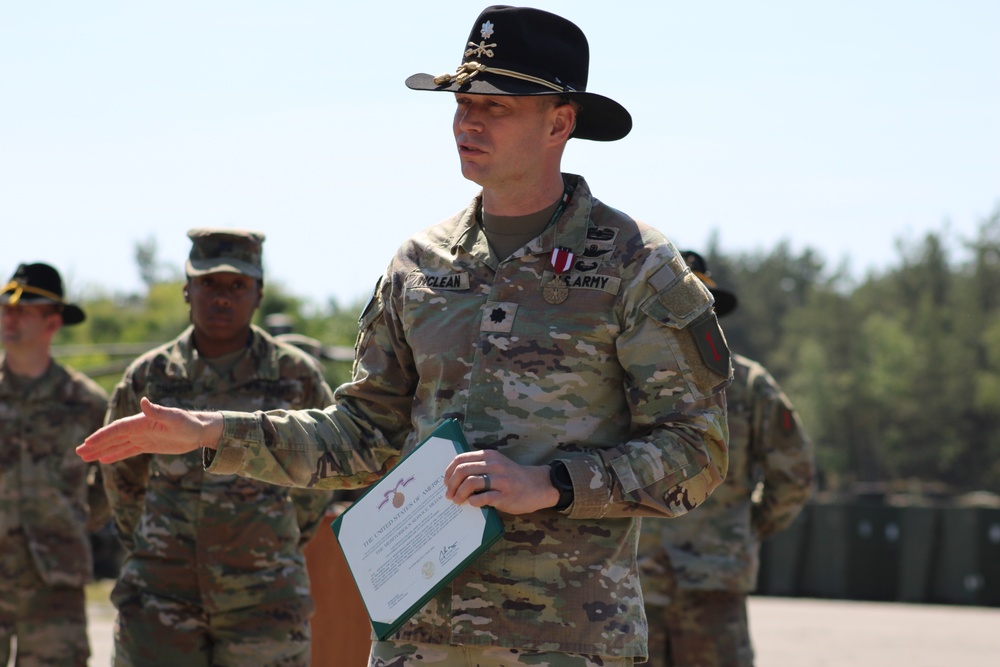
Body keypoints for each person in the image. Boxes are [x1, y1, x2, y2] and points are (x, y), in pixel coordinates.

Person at [80, 7, 733, 666]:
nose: (467, 121)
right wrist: (214, 433)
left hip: (565, 641)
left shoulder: (635, 263)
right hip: (419, 640)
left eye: (495, 106)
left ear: (560, 122)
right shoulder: (418, 263)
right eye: (462, 102)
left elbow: (697, 452)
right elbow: (365, 436)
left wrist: (553, 483)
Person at [100, 229, 337, 667]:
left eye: (237, 286)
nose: (222, 298)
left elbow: (321, 473)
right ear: (187, 290)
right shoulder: (149, 377)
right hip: (160, 601)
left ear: (259, 293)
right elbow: (120, 475)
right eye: (209, 283)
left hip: (264, 600)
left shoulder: (297, 376)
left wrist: (275, 538)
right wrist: (152, 543)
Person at [637, 250, 816, 667]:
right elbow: (795, 475)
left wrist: (744, 529)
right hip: (707, 574)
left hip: (637, 576)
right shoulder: (750, 383)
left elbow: (795, 474)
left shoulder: (625, 380)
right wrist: (740, 529)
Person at [1, 262, 109, 666]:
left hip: (54, 585)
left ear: (52, 322)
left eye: (23, 310)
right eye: (5, 308)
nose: (9, 317)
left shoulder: (86, 403)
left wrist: (75, 521)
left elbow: (114, 480)